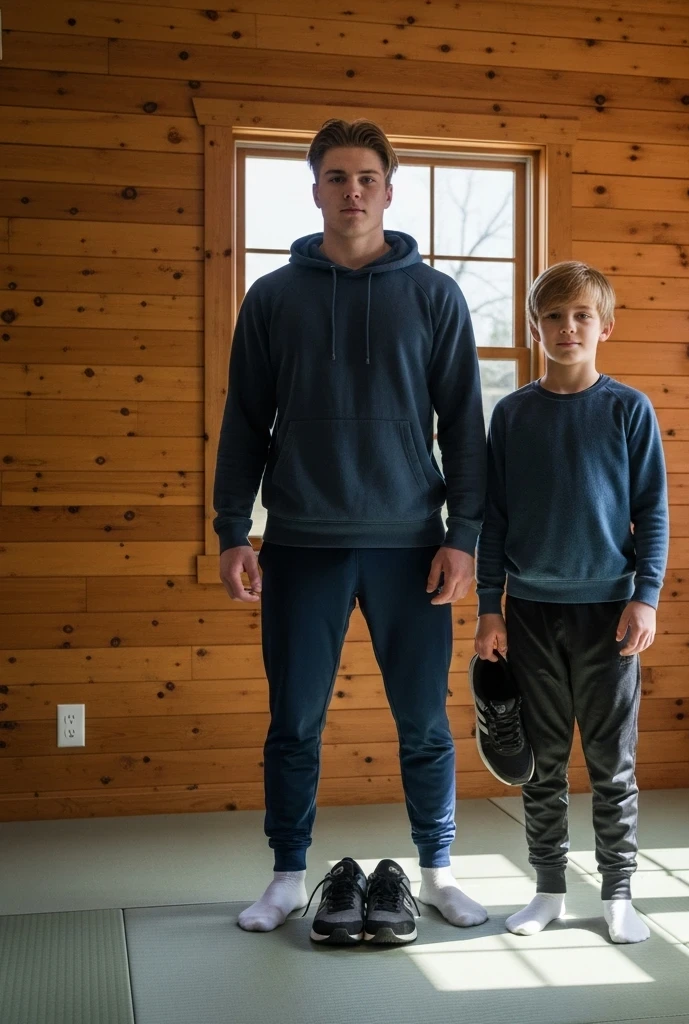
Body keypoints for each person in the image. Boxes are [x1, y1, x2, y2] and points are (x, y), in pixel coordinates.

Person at [213, 118, 488, 937]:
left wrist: (465, 535)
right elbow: (244, 421)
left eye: (366, 177)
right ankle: (288, 875)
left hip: (411, 545)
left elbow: (465, 425)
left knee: (424, 723)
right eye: (337, 177)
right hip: (299, 540)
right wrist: (234, 528)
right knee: (293, 722)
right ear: (316, 190)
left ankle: (437, 872)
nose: (353, 191)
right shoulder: (272, 298)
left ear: (388, 191)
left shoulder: (435, 296)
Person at [474, 261, 669, 944]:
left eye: (582, 315)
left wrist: (645, 598)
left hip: (611, 616)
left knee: (613, 764)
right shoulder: (514, 414)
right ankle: (549, 889)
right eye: (554, 316)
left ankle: (619, 894)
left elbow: (654, 512)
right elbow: (493, 520)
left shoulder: (628, 409)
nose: (568, 327)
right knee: (543, 764)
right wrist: (488, 609)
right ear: (535, 327)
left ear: (605, 326)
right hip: (528, 613)